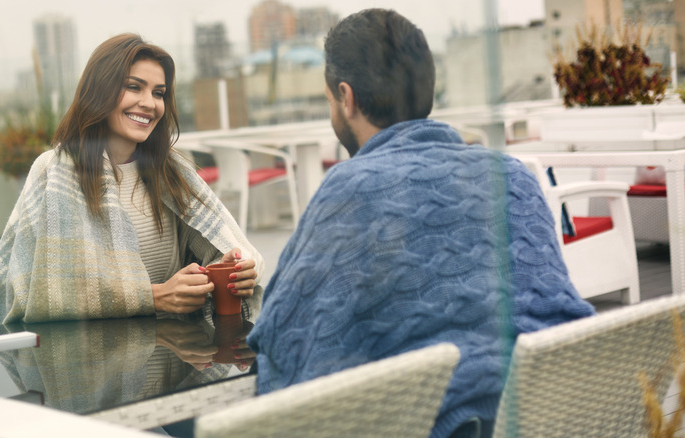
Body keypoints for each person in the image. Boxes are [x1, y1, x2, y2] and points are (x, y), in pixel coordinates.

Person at [246, 9, 595, 438]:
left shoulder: (350, 188)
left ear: (346, 96)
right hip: (556, 411)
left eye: (328, 101)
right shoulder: (514, 175)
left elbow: (286, 333)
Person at [0, 33, 263, 326]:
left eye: (158, 93)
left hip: (179, 356)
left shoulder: (173, 171)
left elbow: (228, 248)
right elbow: (40, 293)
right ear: (99, 91)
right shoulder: (55, 172)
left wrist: (234, 270)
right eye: (133, 87)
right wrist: (153, 296)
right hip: (89, 364)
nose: (149, 103)